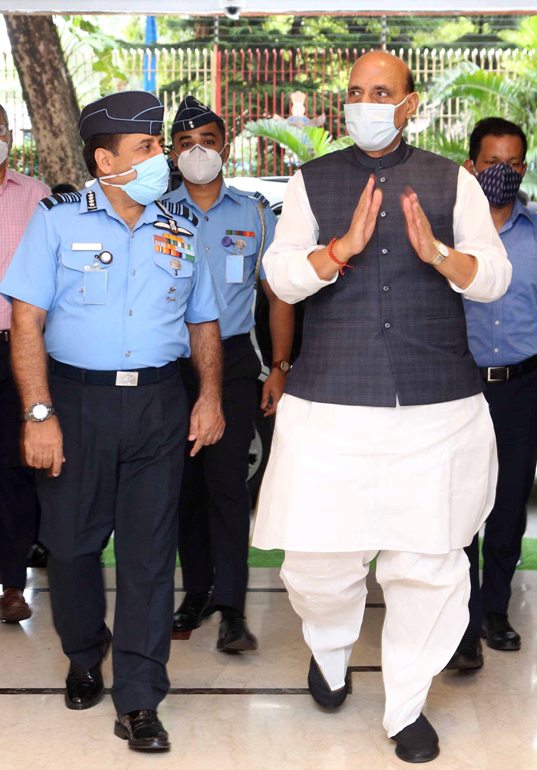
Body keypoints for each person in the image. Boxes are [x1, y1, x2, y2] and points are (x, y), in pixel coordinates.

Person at [252, 51, 512, 764]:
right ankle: (330, 651)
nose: (366, 103)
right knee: (316, 565)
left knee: (427, 564)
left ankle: (405, 706)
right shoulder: (313, 181)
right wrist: (338, 250)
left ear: (409, 102)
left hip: (435, 408)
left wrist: (439, 256)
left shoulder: (450, 181)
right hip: (331, 406)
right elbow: (279, 272)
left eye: (381, 93)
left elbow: (493, 275)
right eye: (356, 92)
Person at [0, 91, 224, 752]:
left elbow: (204, 321)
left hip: (158, 404)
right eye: (149, 147)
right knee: (70, 547)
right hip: (76, 401)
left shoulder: (179, 229)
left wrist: (209, 395)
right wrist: (39, 413)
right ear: (106, 160)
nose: (164, 157)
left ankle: (139, 698)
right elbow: (27, 324)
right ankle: (82, 651)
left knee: (151, 557)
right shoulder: (57, 223)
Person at [445, 117, 537, 671]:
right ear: (470, 166)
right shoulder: (446, 236)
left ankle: (494, 610)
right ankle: (458, 620)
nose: (501, 174)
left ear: (523, 168)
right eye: (491, 164)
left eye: (511, 164)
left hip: (519, 389)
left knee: (507, 508)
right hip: (455, 391)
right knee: (457, 508)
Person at [164, 96, 294, 650]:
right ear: (172, 153)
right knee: (182, 487)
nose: (199, 152)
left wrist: (280, 367)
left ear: (225, 146)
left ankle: (233, 607)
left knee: (227, 484)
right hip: (172, 365)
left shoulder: (257, 214)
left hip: (238, 361)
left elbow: (278, 296)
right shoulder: (157, 214)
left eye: (208, 141)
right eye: (187, 143)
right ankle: (195, 590)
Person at [0, 102, 50, 623]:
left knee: (14, 468)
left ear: (8, 136)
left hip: (13, 346)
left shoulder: (34, 197)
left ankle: (13, 585)